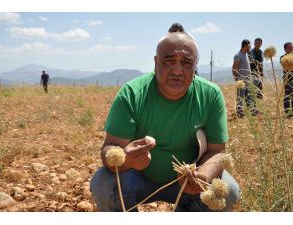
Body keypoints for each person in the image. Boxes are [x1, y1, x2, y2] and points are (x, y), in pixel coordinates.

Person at [90, 32, 240, 212]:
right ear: (155, 62)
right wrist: (126, 159)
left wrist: (203, 178)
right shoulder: (131, 94)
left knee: (228, 191)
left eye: (186, 63)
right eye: (169, 61)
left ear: (195, 66)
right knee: (103, 184)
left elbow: (217, 151)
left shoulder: (210, 95)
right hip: (136, 178)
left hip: (187, 185)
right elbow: (108, 149)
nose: (177, 70)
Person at [232, 39, 259, 118]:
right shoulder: (238, 55)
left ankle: (251, 110)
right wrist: (237, 79)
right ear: (245, 46)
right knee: (241, 96)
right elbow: (234, 68)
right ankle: (239, 112)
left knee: (249, 95)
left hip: (248, 79)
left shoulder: (246, 54)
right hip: (241, 80)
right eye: (249, 46)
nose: (250, 48)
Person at [280, 42, 293, 117]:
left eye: (292, 47)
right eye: (290, 47)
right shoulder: (283, 57)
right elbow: (284, 66)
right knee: (287, 94)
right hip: (287, 78)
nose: (292, 48)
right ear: (285, 49)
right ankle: (287, 112)